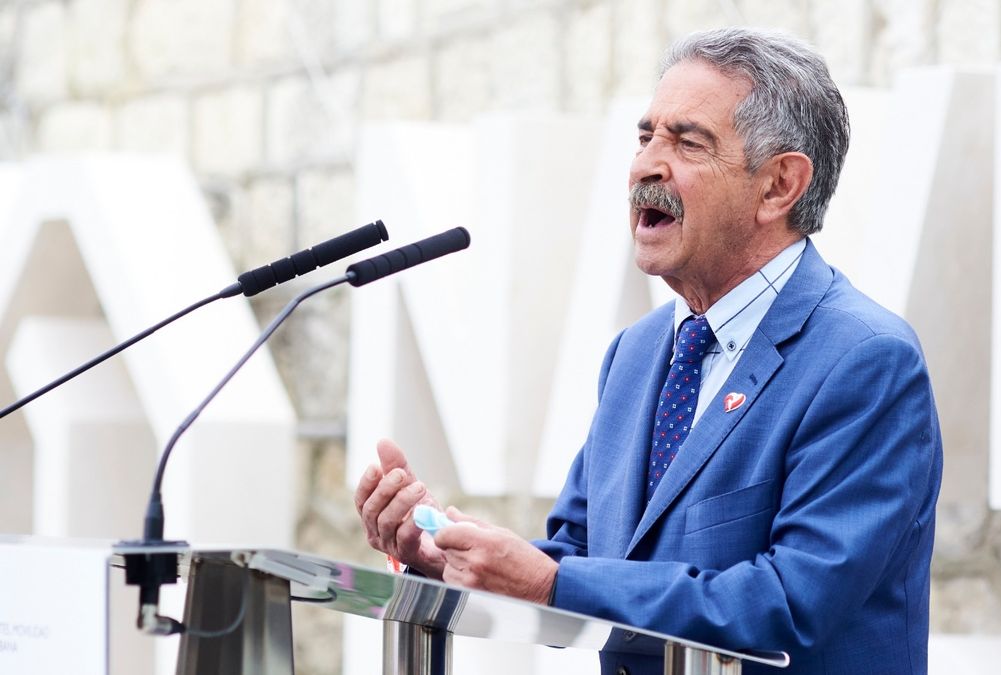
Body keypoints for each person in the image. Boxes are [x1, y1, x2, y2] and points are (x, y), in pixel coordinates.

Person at [355, 27, 943, 675]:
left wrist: (553, 582)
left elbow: (788, 604)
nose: (645, 166)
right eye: (645, 137)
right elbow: (578, 552)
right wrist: (451, 551)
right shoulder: (635, 354)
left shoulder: (866, 361)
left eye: (688, 141)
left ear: (779, 186)